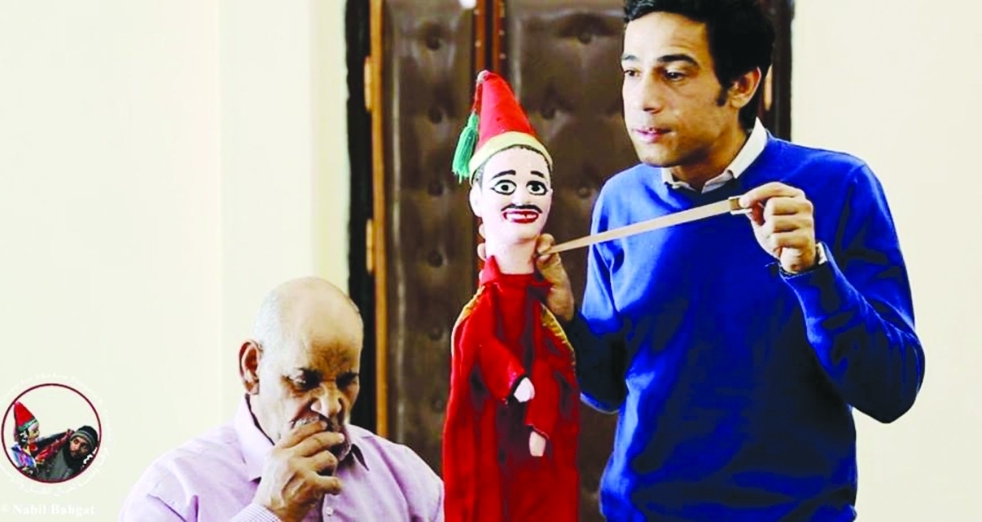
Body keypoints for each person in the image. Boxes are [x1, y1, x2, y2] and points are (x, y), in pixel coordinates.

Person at [480, 0, 926, 520]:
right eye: (631, 72)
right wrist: (566, 320)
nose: (643, 100)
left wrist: (813, 271)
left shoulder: (839, 187)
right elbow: (607, 388)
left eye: (673, 74)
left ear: (742, 85)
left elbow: (892, 390)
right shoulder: (621, 198)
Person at [119, 277, 443, 522]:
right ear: (252, 368)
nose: (331, 405)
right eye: (305, 381)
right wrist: (270, 513)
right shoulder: (172, 493)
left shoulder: (408, 481)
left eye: (347, 381)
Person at [444, 70, 580, 522]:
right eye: (505, 185)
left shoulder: (545, 307)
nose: (523, 196)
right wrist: (515, 380)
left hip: (538, 458)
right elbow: (480, 346)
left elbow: (555, 362)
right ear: (476, 200)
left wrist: (542, 411)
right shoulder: (481, 310)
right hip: (496, 439)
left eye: (536, 186)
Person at [33, 425, 98, 482]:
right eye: (76, 441)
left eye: (84, 446)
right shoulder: (51, 452)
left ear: (89, 452)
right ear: (71, 441)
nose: (77, 448)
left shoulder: (84, 473)